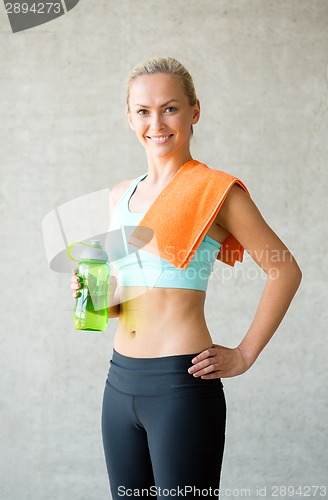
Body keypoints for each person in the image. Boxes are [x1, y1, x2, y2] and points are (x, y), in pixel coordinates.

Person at [71, 57, 302, 499]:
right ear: (129, 117)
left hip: (180, 383)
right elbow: (127, 297)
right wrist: (96, 298)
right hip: (119, 384)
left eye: (170, 108)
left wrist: (244, 354)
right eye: (143, 111)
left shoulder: (216, 190)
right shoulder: (122, 195)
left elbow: (284, 269)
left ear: (194, 111)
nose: (156, 122)